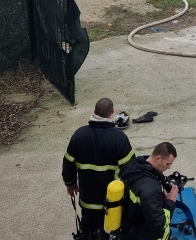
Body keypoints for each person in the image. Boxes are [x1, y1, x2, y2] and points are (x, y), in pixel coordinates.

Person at [62, 98, 135, 239]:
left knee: (88, 231)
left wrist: (70, 183)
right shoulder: (118, 138)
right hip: (111, 201)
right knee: (110, 232)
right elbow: (131, 169)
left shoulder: (79, 134)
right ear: (112, 112)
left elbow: (68, 162)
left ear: (94, 112)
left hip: (87, 199)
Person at [119, 142, 179, 240]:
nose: (169, 168)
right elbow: (159, 224)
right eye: (168, 164)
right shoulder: (152, 191)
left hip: (129, 223)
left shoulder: (135, 165)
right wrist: (170, 202)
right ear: (158, 159)